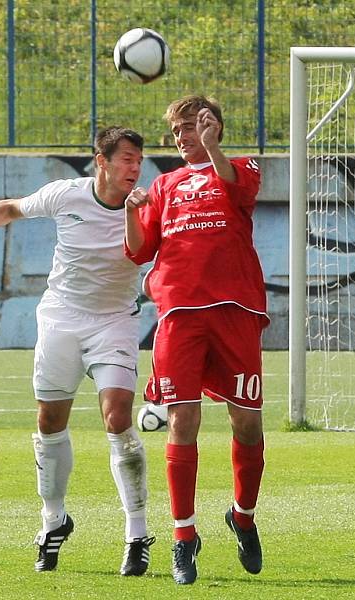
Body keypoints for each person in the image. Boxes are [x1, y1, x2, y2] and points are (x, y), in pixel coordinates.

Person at [0, 127, 154, 576]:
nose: (135, 167)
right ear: (101, 161)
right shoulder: (65, 195)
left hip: (115, 322)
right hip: (62, 317)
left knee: (118, 416)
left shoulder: (147, 206)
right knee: (50, 420)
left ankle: (137, 531)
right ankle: (53, 519)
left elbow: (154, 252)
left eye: (139, 159)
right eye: (126, 158)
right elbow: (11, 208)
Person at [124, 95, 268, 585]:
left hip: (236, 312)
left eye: (192, 127)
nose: (183, 137)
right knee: (182, 420)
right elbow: (140, 249)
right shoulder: (164, 185)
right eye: (178, 130)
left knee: (246, 424)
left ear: (215, 127)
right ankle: (184, 539)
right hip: (180, 316)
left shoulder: (241, 168)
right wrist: (131, 209)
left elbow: (238, 187)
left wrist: (213, 149)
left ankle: (243, 517)